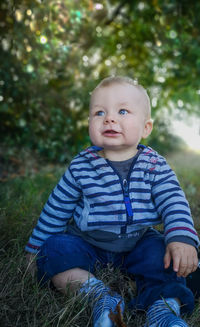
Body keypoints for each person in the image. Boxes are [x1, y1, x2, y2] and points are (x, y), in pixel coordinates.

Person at [25, 76, 199, 327]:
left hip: (139, 241)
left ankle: (162, 310)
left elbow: (173, 201)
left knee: (165, 255)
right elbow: (56, 209)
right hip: (88, 243)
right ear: (89, 123)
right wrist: (34, 250)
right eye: (99, 112)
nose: (109, 118)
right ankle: (99, 297)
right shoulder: (81, 167)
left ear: (146, 127)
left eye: (123, 111)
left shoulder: (154, 165)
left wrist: (181, 238)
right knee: (54, 250)